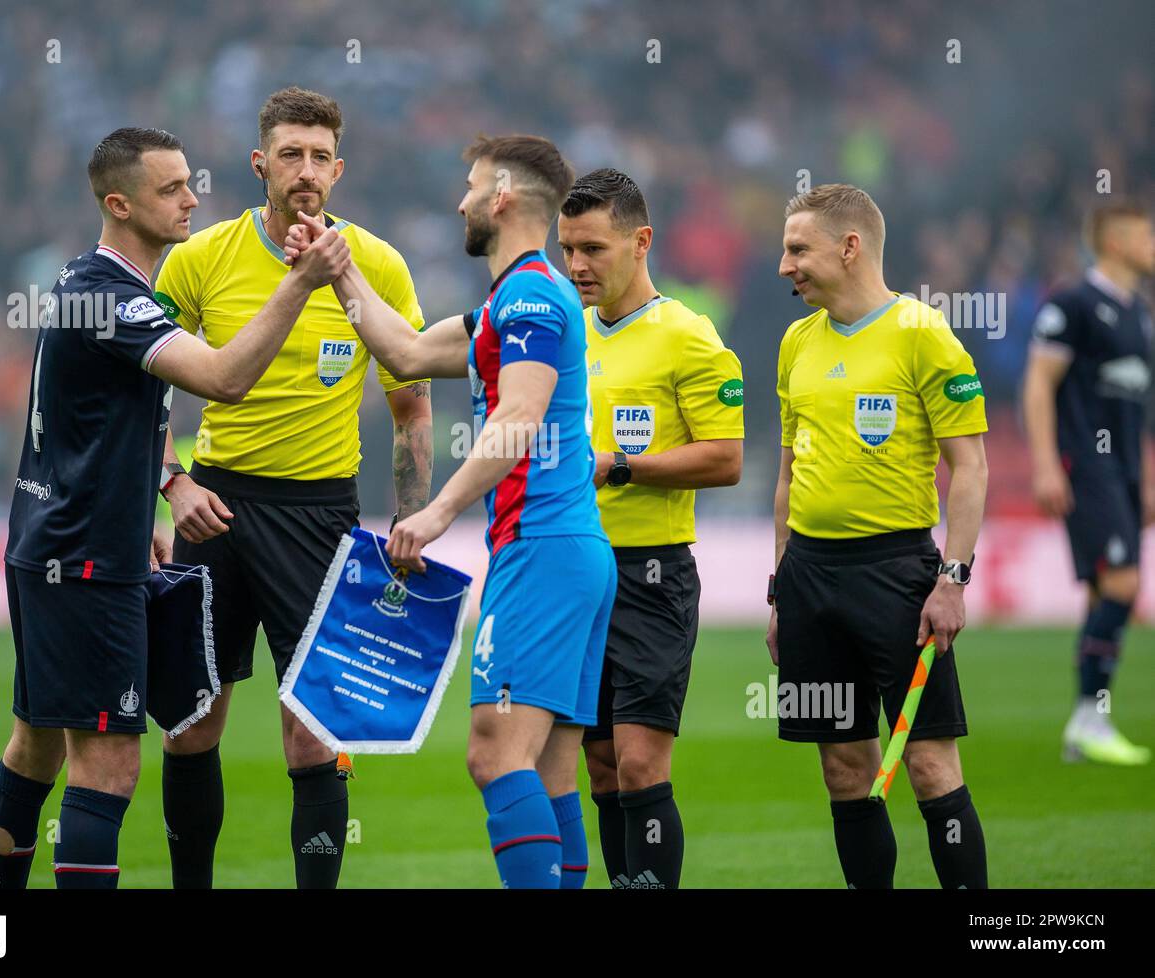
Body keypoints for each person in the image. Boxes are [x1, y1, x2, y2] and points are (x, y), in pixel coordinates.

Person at [0, 126, 350, 889]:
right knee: (108, 762)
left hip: (56, 544)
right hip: (83, 560)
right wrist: (300, 281)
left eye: (190, 182)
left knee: (35, 748)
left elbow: (105, 427)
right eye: (171, 188)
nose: (192, 197)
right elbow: (222, 377)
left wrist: (161, 494)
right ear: (119, 202)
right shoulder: (109, 296)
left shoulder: (94, 286)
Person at [285, 134, 616, 889]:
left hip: (542, 546)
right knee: (551, 772)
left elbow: (519, 419)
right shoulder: (511, 299)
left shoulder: (531, 296)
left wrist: (436, 513)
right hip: (567, 549)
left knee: (493, 754)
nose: (460, 201)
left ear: (501, 197)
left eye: (470, 187)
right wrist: (339, 270)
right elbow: (401, 352)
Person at [152, 87, 433, 888]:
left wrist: (407, 527)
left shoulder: (376, 263)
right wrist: (172, 485)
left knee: (313, 737)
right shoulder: (198, 257)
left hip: (322, 517)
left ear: (338, 169)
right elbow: (140, 390)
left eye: (320, 157)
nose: (305, 171)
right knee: (190, 727)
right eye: (290, 154)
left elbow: (412, 406)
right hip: (217, 508)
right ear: (259, 163)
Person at [769, 183, 990, 889]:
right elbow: (786, 477)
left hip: (895, 574)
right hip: (808, 576)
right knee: (842, 771)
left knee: (928, 766)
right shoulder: (796, 341)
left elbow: (971, 466)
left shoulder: (925, 333)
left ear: (850, 246)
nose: (784, 266)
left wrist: (952, 581)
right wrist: (780, 591)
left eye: (798, 249)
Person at [556, 168, 744, 889]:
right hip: (577, 572)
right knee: (599, 764)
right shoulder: (566, 331)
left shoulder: (688, 336)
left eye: (593, 249)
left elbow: (726, 458)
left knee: (639, 762)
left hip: (651, 574)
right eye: (568, 247)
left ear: (641, 243)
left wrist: (622, 468)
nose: (577, 265)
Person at [1023, 199, 1154, 765]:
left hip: (1124, 469)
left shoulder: (1140, 313)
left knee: (1104, 591)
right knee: (1123, 585)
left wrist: (1144, 479)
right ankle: (1087, 715)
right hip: (1087, 464)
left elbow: (1138, 407)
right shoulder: (1073, 303)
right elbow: (1038, 383)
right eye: (1146, 235)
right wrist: (1047, 463)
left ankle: (1087, 722)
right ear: (1117, 242)